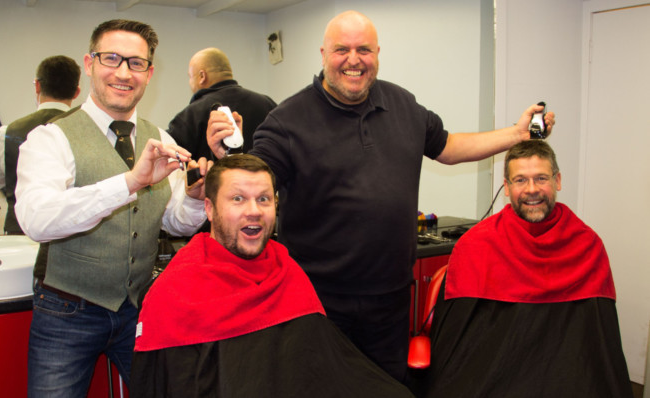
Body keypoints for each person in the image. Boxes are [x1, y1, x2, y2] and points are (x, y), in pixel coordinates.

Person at [206, 10, 556, 383]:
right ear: (323, 53)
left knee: (386, 387)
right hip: (319, 299)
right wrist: (230, 154)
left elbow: (449, 146)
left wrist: (518, 134)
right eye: (342, 49)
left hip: (390, 298)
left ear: (377, 53)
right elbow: (254, 179)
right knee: (322, 388)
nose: (354, 60)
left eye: (364, 49)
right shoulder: (288, 119)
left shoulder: (403, 104)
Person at [15, 19, 210, 397]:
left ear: (149, 73)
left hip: (137, 307)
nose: (123, 73)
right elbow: (36, 219)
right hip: (65, 312)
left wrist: (194, 198)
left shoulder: (161, 139)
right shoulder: (50, 138)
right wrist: (130, 183)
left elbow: (175, 223)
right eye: (111, 59)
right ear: (89, 64)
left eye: (136, 63)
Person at [130, 154, 414, 398]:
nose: (254, 211)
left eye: (264, 199)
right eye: (238, 199)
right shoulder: (176, 290)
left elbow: (323, 367)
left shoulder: (286, 269)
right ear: (210, 209)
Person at [419, 140, 632, 397]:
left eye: (541, 178)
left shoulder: (587, 245)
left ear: (558, 181)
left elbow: (597, 348)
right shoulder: (475, 245)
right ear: (507, 188)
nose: (532, 190)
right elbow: (458, 347)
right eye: (520, 180)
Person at [0, 55, 81, 234]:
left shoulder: (7, 134)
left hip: (20, 236)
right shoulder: (90, 133)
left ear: (37, 85)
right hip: (72, 241)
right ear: (76, 92)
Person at [167, 47, 276, 160]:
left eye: (190, 77)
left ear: (202, 77)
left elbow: (171, 162)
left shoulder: (189, 116)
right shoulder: (268, 104)